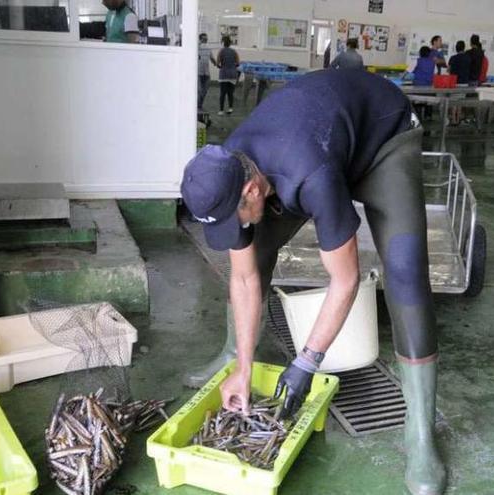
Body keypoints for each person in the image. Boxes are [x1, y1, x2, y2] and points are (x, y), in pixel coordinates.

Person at [180, 69, 446, 494]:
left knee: (405, 273)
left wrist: (306, 363)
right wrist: (245, 368)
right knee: (255, 249)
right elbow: (245, 278)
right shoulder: (227, 167)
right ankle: (232, 355)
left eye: (234, 217)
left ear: (250, 189)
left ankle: (419, 434)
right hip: (321, 138)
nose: (233, 230)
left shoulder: (310, 176)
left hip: (383, 139)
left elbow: (345, 280)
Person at [215, 36, 240, 116]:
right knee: (230, 93)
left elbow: (217, 63)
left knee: (222, 93)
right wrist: (232, 67)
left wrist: (220, 66)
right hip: (232, 74)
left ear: (223, 42)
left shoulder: (221, 51)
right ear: (230, 43)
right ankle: (230, 109)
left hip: (224, 74)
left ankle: (221, 110)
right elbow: (238, 63)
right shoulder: (234, 51)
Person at [448, 41, 471, 124]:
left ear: (456, 48)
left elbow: (448, 70)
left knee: (454, 102)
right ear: (464, 48)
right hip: (464, 82)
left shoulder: (453, 58)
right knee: (460, 101)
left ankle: (453, 120)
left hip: (454, 82)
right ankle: (458, 119)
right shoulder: (468, 58)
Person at [198, 34, 217, 110]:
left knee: (205, 90)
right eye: (203, 39)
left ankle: (199, 104)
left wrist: (216, 63)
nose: (205, 40)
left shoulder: (208, 49)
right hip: (198, 72)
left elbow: (212, 58)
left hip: (206, 73)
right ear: (200, 39)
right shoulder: (197, 48)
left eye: (206, 39)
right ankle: (198, 105)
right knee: (199, 90)